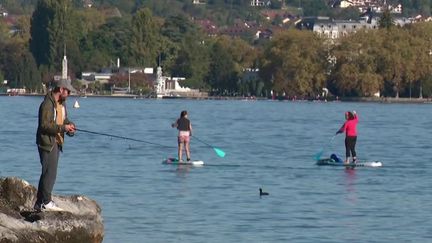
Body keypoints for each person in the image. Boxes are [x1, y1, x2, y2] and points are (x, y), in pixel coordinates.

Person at [34, 79, 76, 212]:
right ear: (61, 89)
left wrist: (70, 127)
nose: (69, 94)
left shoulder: (62, 104)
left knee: (48, 172)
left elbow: (64, 120)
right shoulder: (47, 104)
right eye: (68, 91)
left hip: (57, 142)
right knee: (49, 173)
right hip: (47, 143)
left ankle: (39, 203)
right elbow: (44, 126)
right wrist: (64, 128)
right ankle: (46, 202)